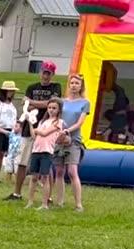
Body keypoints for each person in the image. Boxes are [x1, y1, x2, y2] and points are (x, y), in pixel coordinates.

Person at [6, 62, 62, 202]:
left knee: (46, 162)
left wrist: (32, 102)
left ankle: (47, 196)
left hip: (46, 129)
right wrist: (33, 103)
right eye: (44, 72)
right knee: (23, 161)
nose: (45, 75)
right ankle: (17, 193)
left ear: (52, 74)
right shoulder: (32, 87)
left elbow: (51, 104)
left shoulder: (56, 87)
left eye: (48, 73)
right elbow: (27, 106)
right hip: (29, 127)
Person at [54, 73, 91, 212]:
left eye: (77, 83)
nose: (74, 86)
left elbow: (80, 122)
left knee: (72, 171)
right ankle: (59, 201)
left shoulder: (85, 103)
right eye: (72, 83)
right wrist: (60, 132)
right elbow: (57, 119)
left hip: (73, 140)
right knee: (59, 171)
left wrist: (67, 131)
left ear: (81, 86)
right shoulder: (63, 102)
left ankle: (78, 204)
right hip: (60, 139)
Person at [25, 99, 64, 211]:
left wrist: (37, 130)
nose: (51, 110)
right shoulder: (43, 122)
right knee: (34, 177)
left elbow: (45, 133)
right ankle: (30, 201)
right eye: (49, 108)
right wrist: (30, 124)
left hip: (47, 151)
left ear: (58, 110)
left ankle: (44, 203)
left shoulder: (58, 122)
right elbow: (34, 136)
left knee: (45, 177)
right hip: (36, 150)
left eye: (54, 108)